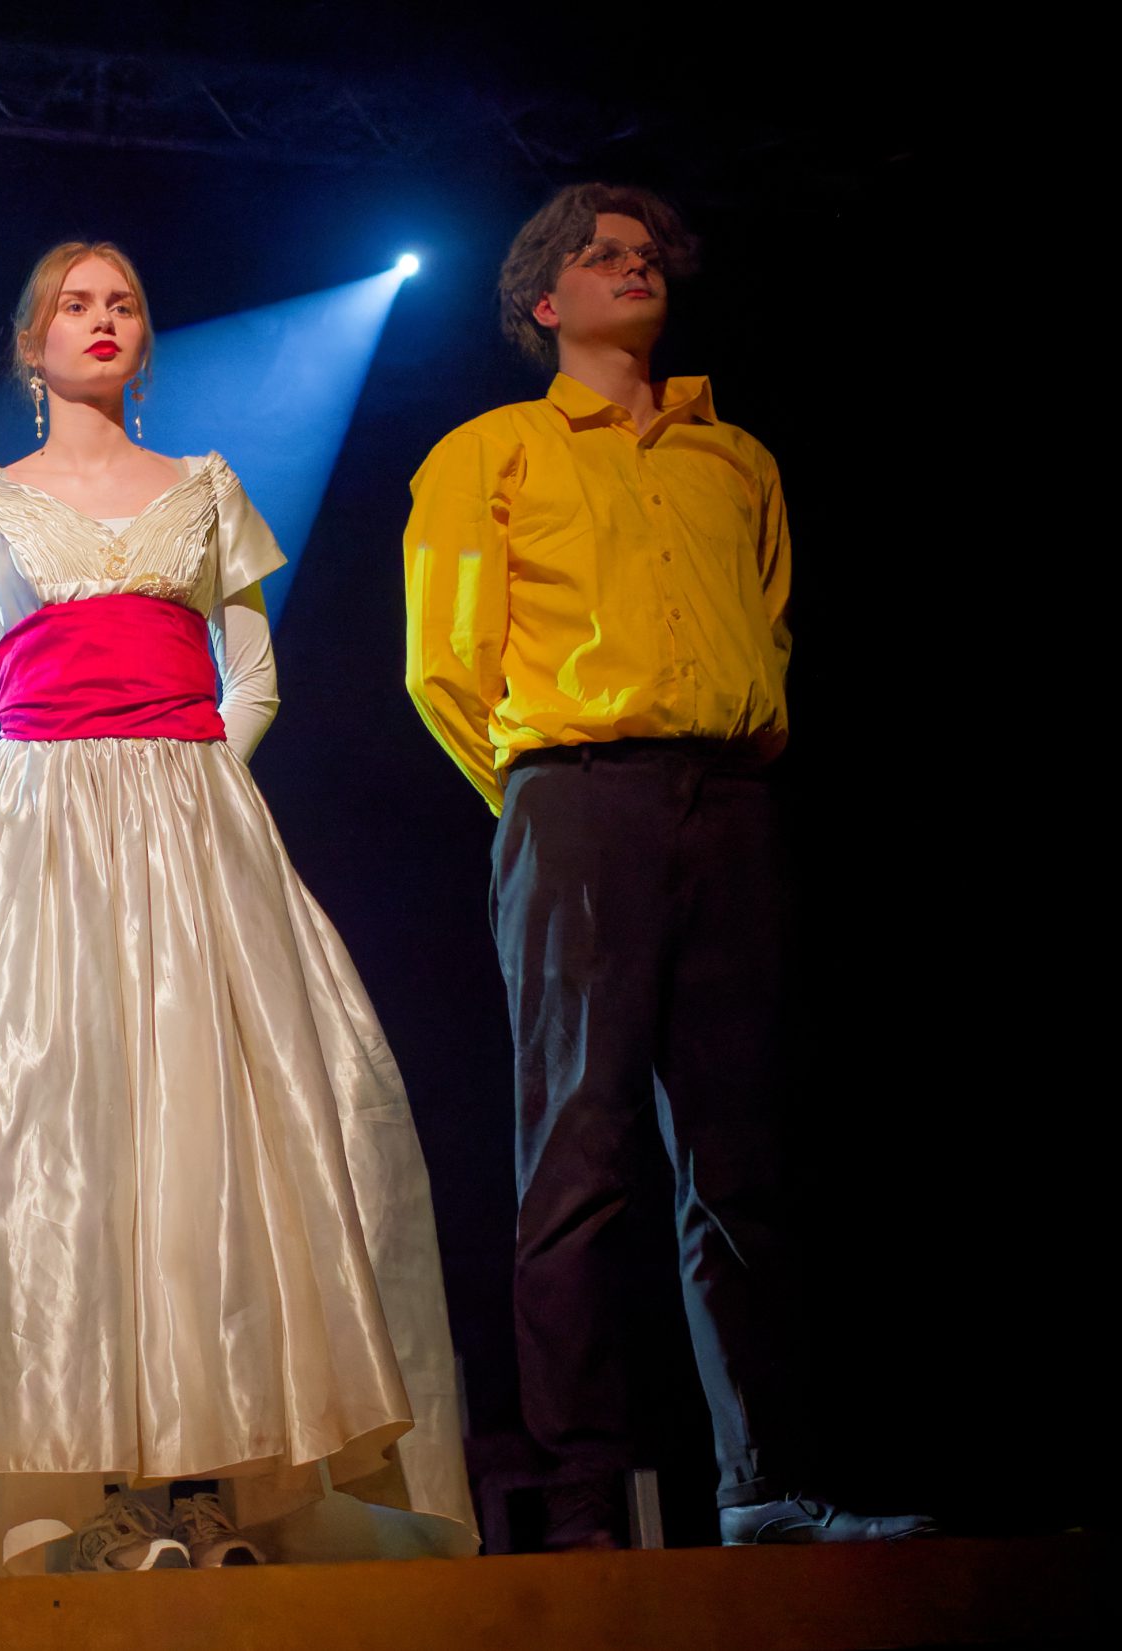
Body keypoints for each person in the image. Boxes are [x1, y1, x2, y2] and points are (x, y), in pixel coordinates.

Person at [0, 241, 475, 1579]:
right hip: (39, 830)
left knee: (219, 1135)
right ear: (31, 344)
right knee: (45, 1138)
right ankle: (72, 1495)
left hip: (193, 828)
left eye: (122, 302)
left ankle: (222, 1481)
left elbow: (254, 680)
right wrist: (20, 810)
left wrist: (191, 795)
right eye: (74, 304)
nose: (102, 319)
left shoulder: (206, 489)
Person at [402, 182, 931, 1548]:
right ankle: (583, 1497)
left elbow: (768, 623)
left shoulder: (735, 458)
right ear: (544, 300)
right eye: (599, 255)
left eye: (645, 253)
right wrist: (543, 796)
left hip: (731, 800)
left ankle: (765, 1484)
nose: (631, 266)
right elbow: (445, 664)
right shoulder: (490, 451)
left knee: (743, 1156)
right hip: (575, 797)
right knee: (577, 1151)